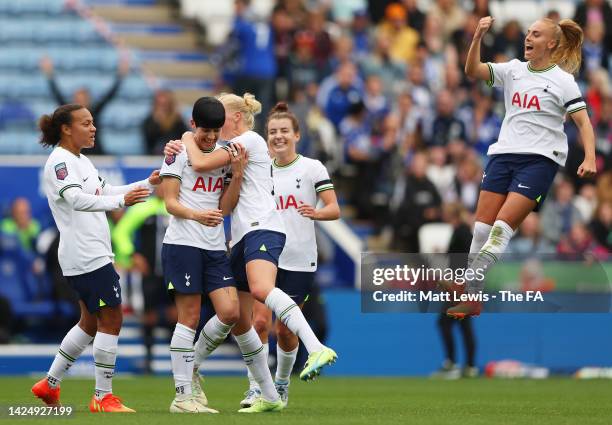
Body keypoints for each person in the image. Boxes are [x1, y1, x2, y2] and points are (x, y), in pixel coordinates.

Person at [164, 93, 337, 413]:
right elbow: (224, 207)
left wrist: (186, 137)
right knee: (239, 318)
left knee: (260, 291)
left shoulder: (250, 141)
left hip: (263, 227)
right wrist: (236, 173)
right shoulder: (230, 154)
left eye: (221, 119)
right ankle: (268, 394)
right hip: (242, 235)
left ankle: (315, 347)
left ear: (237, 118)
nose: (215, 127)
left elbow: (200, 161)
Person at [446, 16, 597, 318]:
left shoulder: (563, 80)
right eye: (528, 33)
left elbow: (583, 121)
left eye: (536, 34)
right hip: (503, 155)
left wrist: (590, 156)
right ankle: (473, 297)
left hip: (540, 160)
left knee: (502, 229)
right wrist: (477, 37)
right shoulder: (513, 70)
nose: (528, 37)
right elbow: (472, 70)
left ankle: (470, 287)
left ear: (551, 43)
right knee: (480, 230)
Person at [31, 104, 160, 412]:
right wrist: (119, 200)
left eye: (93, 123)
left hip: (90, 252)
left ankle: (49, 384)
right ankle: (103, 397)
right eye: (86, 123)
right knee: (112, 318)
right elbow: (75, 199)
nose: (93, 128)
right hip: (86, 254)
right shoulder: (60, 162)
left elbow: (106, 190)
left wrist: (147, 184)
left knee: (89, 323)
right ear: (66, 128)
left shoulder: (82, 161)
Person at [241, 102, 340, 407]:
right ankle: (258, 388)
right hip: (264, 253)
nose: (278, 136)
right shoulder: (259, 170)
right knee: (258, 323)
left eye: (284, 131)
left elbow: (334, 208)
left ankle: (281, 384)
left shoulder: (312, 168)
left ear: (297, 135)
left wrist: (316, 214)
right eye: (272, 131)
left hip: (299, 256)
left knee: (284, 329)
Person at [158, 97, 246, 413]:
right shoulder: (177, 153)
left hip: (213, 245)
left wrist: (236, 175)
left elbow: (227, 206)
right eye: (205, 130)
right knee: (190, 316)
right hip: (183, 242)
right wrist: (198, 216)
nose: (210, 137)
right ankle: (182, 397)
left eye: (215, 131)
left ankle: (190, 365)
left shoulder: (224, 156)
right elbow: (169, 202)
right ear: (193, 125)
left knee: (230, 311)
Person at [40, 56, 130, 155]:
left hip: (96, 155)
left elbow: (109, 96)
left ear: (88, 100)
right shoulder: (69, 115)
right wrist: (49, 75)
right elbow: (57, 95)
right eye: (78, 99)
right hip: (76, 154)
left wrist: (120, 76)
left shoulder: (94, 112)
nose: (80, 102)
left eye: (83, 98)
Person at [142, 90, 189, 155]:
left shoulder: (178, 120)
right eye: (160, 104)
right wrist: (157, 122)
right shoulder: (149, 121)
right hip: (155, 155)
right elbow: (149, 142)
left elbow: (184, 137)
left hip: (175, 154)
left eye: (165, 104)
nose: (163, 108)